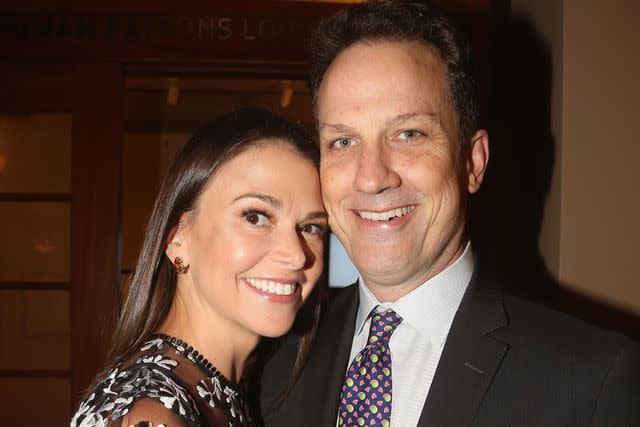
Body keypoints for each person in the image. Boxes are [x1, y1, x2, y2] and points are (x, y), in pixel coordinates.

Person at [259, 1, 640, 426]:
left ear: (473, 163)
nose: (371, 178)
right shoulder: (274, 356)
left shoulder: (591, 380)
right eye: (343, 142)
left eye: (408, 134)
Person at [71, 108, 328, 427]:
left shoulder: (229, 389)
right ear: (178, 238)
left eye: (311, 227)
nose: (296, 255)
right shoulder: (154, 413)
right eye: (255, 217)